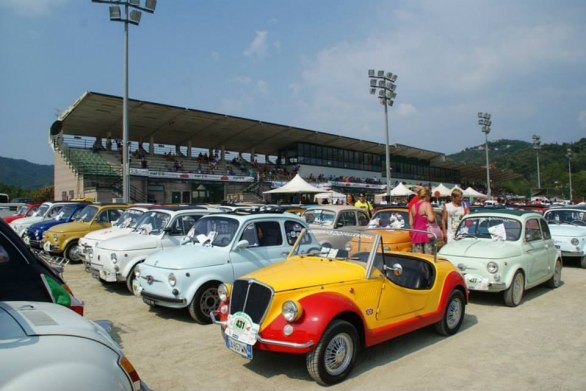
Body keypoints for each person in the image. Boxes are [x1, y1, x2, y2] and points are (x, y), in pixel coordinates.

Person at [409, 187, 435, 254]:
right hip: (426, 235)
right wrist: (428, 216)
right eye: (429, 196)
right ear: (426, 196)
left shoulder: (413, 206)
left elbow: (411, 223)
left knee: (419, 260)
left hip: (416, 235)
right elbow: (431, 219)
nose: (429, 198)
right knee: (428, 259)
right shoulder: (427, 204)